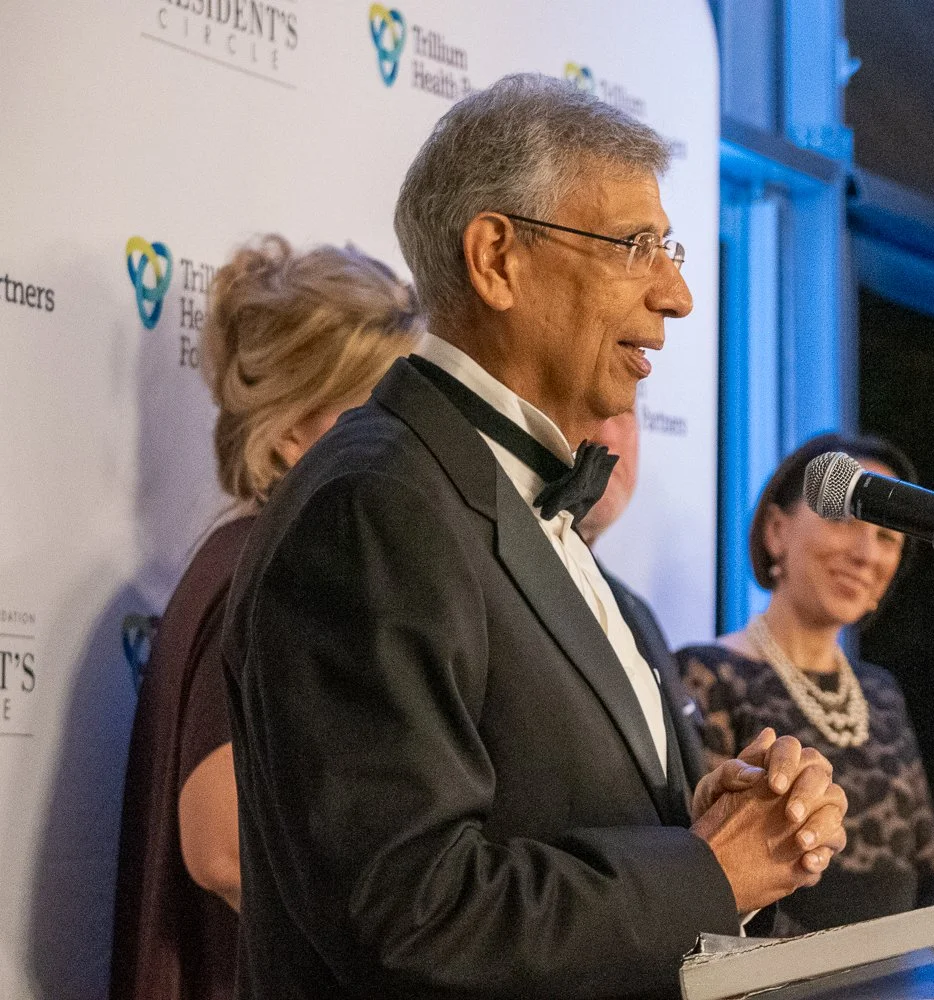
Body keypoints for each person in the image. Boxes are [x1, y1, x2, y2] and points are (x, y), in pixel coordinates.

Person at [222, 74, 849, 1000]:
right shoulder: (374, 505)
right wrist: (707, 874)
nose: (676, 295)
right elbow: (412, 916)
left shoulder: (517, 506)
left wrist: (703, 826)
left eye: (669, 249)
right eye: (638, 246)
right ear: (497, 260)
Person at [110, 235, 421, 1000]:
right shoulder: (280, 566)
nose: (413, 444)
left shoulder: (241, 551)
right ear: (289, 432)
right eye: (381, 413)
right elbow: (221, 849)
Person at [678, 433, 934, 934]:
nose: (867, 552)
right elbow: (704, 876)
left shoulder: (881, 692)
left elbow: (931, 875)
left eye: (889, 536)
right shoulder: (706, 675)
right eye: (846, 518)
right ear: (776, 532)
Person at [578, 408, 710, 786]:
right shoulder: (489, 571)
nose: (608, 438)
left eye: (624, 415)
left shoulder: (636, 612)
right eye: (595, 409)